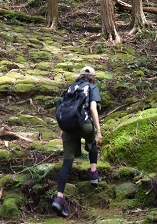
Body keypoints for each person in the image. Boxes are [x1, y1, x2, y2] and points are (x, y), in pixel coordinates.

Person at [52, 66, 103, 218]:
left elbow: (64, 108)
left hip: (68, 127)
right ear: (92, 77)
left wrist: (62, 129)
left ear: (79, 76)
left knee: (66, 162)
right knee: (92, 141)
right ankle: (93, 172)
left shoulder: (70, 88)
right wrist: (99, 131)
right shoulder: (92, 87)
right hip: (85, 124)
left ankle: (59, 197)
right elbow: (93, 108)